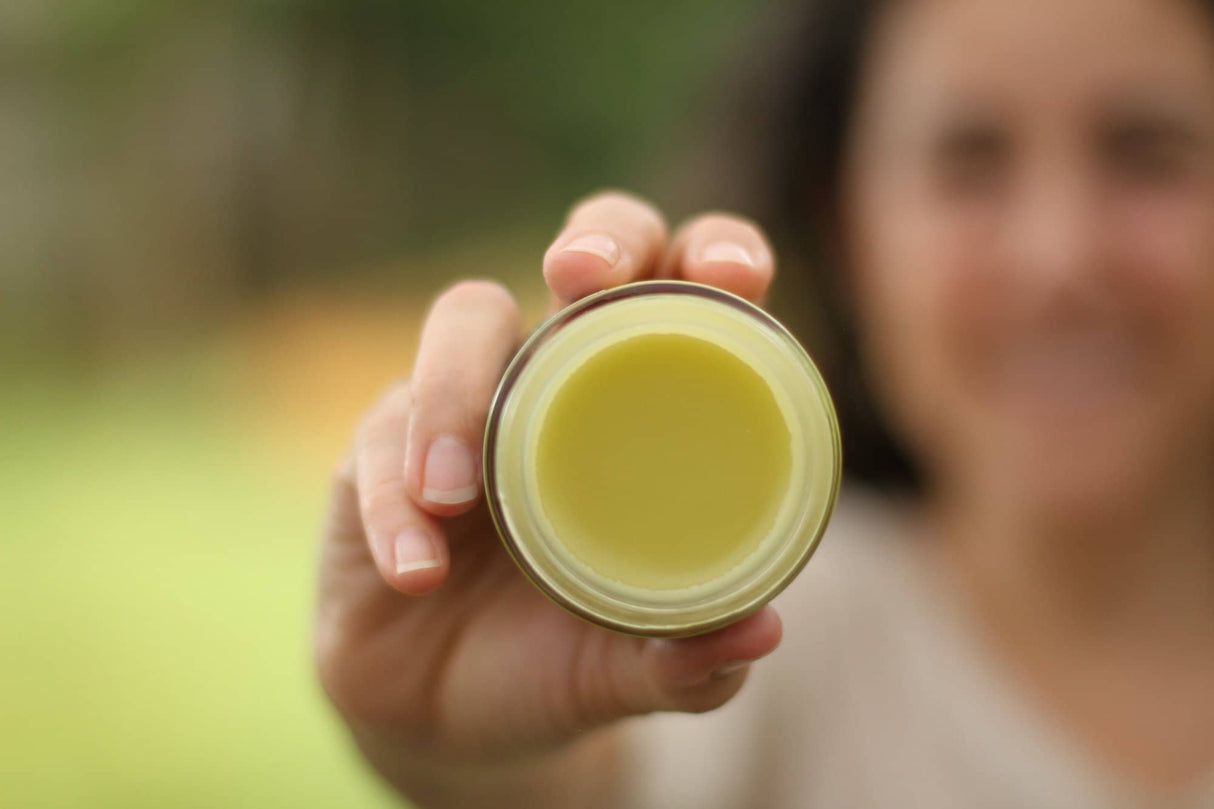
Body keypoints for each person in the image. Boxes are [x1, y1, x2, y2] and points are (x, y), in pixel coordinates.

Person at [313, 0, 1214, 805]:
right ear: (847, 230)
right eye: (967, 160)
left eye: (1148, 153)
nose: (1057, 256)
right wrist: (458, 749)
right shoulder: (762, 641)